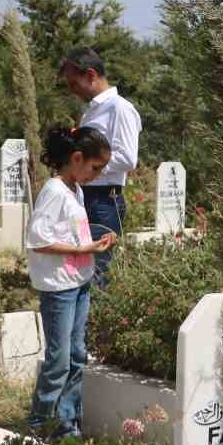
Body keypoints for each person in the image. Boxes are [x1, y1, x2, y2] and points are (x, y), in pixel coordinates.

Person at [26, 126, 117, 438]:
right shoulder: (53, 191)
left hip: (78, 283)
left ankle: (67, 424)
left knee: (77, 355)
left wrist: (97, 238)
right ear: (77, 158)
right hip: (59, 289)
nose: (98, 174)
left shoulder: (74, 189)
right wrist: (83, 248)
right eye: (96, 167)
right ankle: (39, 426)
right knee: (59, 360)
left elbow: (68, 232)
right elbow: (39, 240)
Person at [59, 47, 139, 284]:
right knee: (81, 272)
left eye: (74, 83)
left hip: (104, 200)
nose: (72, 90)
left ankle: (97, 321)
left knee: (98, 272)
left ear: (91, 74)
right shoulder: (92, 111)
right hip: (87, 196)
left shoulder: (119, 108)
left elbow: (127, 158)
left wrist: (87, 163)